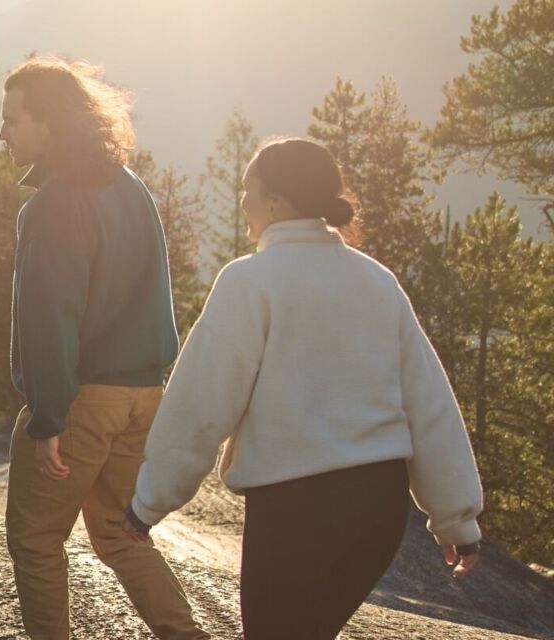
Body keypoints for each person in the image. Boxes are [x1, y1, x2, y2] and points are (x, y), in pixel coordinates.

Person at [126, 137, 484, 639]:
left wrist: (148, 503)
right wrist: (457, 519)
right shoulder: (377, 281)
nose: (242, 202)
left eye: (248, 190)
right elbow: (430, 406)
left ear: (277, 201)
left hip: (296, 510)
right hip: (376, 513)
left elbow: (202, 406)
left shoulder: (250, 281)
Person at [0, 56, 208, 640]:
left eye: (13, 119)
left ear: (50, 123)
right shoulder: (130, 185)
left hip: (84, 401)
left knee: (37, 540)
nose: (2, 131)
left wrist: (48, 417)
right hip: (143, 394)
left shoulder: (52, 206)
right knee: (118, 531)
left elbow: (49, 320)